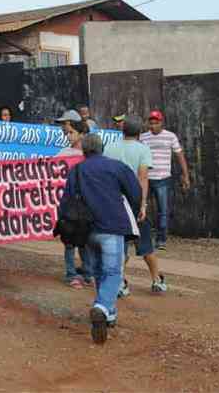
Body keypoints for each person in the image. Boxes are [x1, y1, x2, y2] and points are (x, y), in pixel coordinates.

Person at [59, 134, 141, 344]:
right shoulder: (117, 167)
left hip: (86, 231)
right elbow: (135, 191)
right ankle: (102, 306)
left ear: (84, 151)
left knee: (97, 271)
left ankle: (110, 314)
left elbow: (66, 201)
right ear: (102, 148)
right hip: (112, 226)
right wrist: (133, 210)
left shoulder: (76, 170)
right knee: (113, 271)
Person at [104, 117, 167, 296]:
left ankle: (120, 284)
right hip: (134, 200)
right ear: (139, 133)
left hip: (115, 200)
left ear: (122, 130)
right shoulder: (143, 149)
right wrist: (143, 204)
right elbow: (143, 177)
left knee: (119, 243)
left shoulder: (109, 147)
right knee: (145, 243)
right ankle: (156, 281)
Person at [140, 110, 190, 250]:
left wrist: (185, 175)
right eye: (151, 122)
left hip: (163, 178)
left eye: (156, 123)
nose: (153, 125)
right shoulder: (143, 137)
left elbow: (179, 155)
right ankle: (144, 238)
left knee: (163, 210)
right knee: (142, 208)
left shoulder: (170, 136)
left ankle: (161, 240)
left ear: (161, 123)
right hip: (146, 179)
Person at [56, 119, 93, 288]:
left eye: (72, 133)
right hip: (69, 204)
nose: (68, 136)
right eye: (67, 133)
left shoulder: (89, 155)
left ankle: (87, 272)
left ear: (82, 135)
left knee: (85, 240)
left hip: (86, 204)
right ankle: (71, 274)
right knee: (69, 240)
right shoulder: (64, 152)